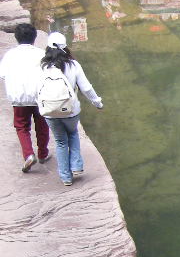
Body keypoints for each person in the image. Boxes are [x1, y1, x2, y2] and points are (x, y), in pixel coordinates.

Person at [37, 33, 103, 187]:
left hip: (50, 112)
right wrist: (97, 103)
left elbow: (37, 90)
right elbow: (86, 88)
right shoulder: (73, 65)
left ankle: (66, 177)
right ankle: (76, 166)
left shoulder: (42, 66)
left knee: (60, 142)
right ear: (65, 47)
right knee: (73, 134)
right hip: (71, 110)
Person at [0, 23, 49, 173]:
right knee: (42, 124)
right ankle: (42, 153)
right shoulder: (41, 54)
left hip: (19, 97)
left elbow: (2, 75)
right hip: (39, 96)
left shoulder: (10, 55)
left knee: (22, 127)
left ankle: (28, 154)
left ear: (16, 38)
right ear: (35, 38)